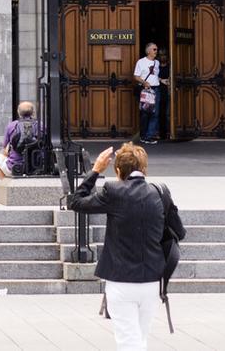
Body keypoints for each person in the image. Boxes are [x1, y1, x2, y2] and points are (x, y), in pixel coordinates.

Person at [67, 143, 185, 351]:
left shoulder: (113, 191)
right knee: (139, 338)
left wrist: (95, 171)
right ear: (144, 169)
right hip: (151, 281)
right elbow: (180, 233)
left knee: (128, 341)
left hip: (120, 281)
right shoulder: (160, 193)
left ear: (118, 171)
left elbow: (76, 201)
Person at [0, 101, 46, 180]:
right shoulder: (41, 125)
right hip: (36, 167)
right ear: (33, 112)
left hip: (15, 168)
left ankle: (6, 183)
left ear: (18, 112)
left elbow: (4, 149)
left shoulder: (12, 126)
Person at [132, 43, 162, 144]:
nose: (156, 51)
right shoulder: (141, 62)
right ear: (148, 51)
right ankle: (143, 136)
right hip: (146, 90)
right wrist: (144, 82)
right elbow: (136, 76)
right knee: (145, 113)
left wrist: (162, 80)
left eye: (156, 49)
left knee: (155, 113)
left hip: (156, 89)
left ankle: (149, 136)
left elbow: (155, 76)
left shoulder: (157, 63)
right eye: (154, 49)